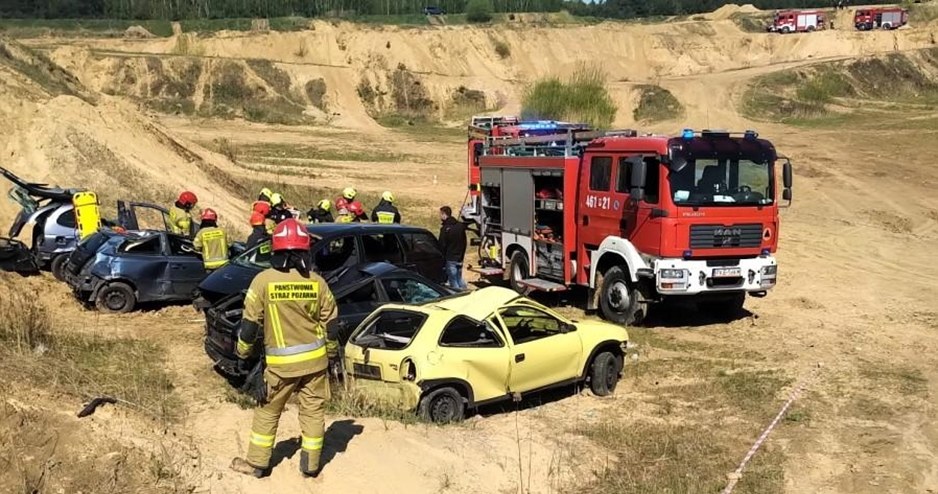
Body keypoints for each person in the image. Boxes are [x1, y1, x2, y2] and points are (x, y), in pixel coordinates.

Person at [230, 218, 338, 479]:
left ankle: (257, 465)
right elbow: (332, 324)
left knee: (267, 413)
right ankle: (310, 466)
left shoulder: (263, 281)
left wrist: (242, 355)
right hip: (315, 364)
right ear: (304, 251)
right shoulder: (317, 282)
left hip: (280, 367)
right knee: (312, 412)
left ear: (276, 250)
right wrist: (331, 354)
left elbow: (248, 327)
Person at [438, 206, 468, 290]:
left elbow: (442, 245)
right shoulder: (460, 226)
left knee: (453, 281)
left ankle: (458, 296)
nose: (440, 216)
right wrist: (462, 255)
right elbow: (464, 242)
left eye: (440, 214)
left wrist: (442, 256)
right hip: (460, 258)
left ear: (444, 214)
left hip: (450, 258)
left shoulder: (445, 229)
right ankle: (465, 292)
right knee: (459, 278)